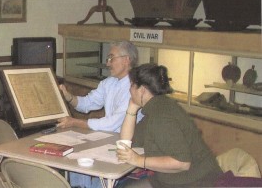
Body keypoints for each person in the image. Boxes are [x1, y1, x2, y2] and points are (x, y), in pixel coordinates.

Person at [117, 63, 223, 188]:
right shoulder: (157, 107)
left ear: (142, 90)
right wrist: (131, 109)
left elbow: (182, 163)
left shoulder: (161, 116)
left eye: (132, 85)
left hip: (196, 181)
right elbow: (127, 143)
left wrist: (138, 160)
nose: (129, 90)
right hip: (173, 178)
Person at [57, 41, 143, 188]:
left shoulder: (135, 87)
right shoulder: (109, 83)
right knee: (75, 157)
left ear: (127, 59)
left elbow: (112, 123)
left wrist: (75, 122)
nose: (108, 63)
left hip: (128, 144)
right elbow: (88, 103)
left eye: (111, 58)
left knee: (96, 177)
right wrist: (68, 97)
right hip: (106, 139)